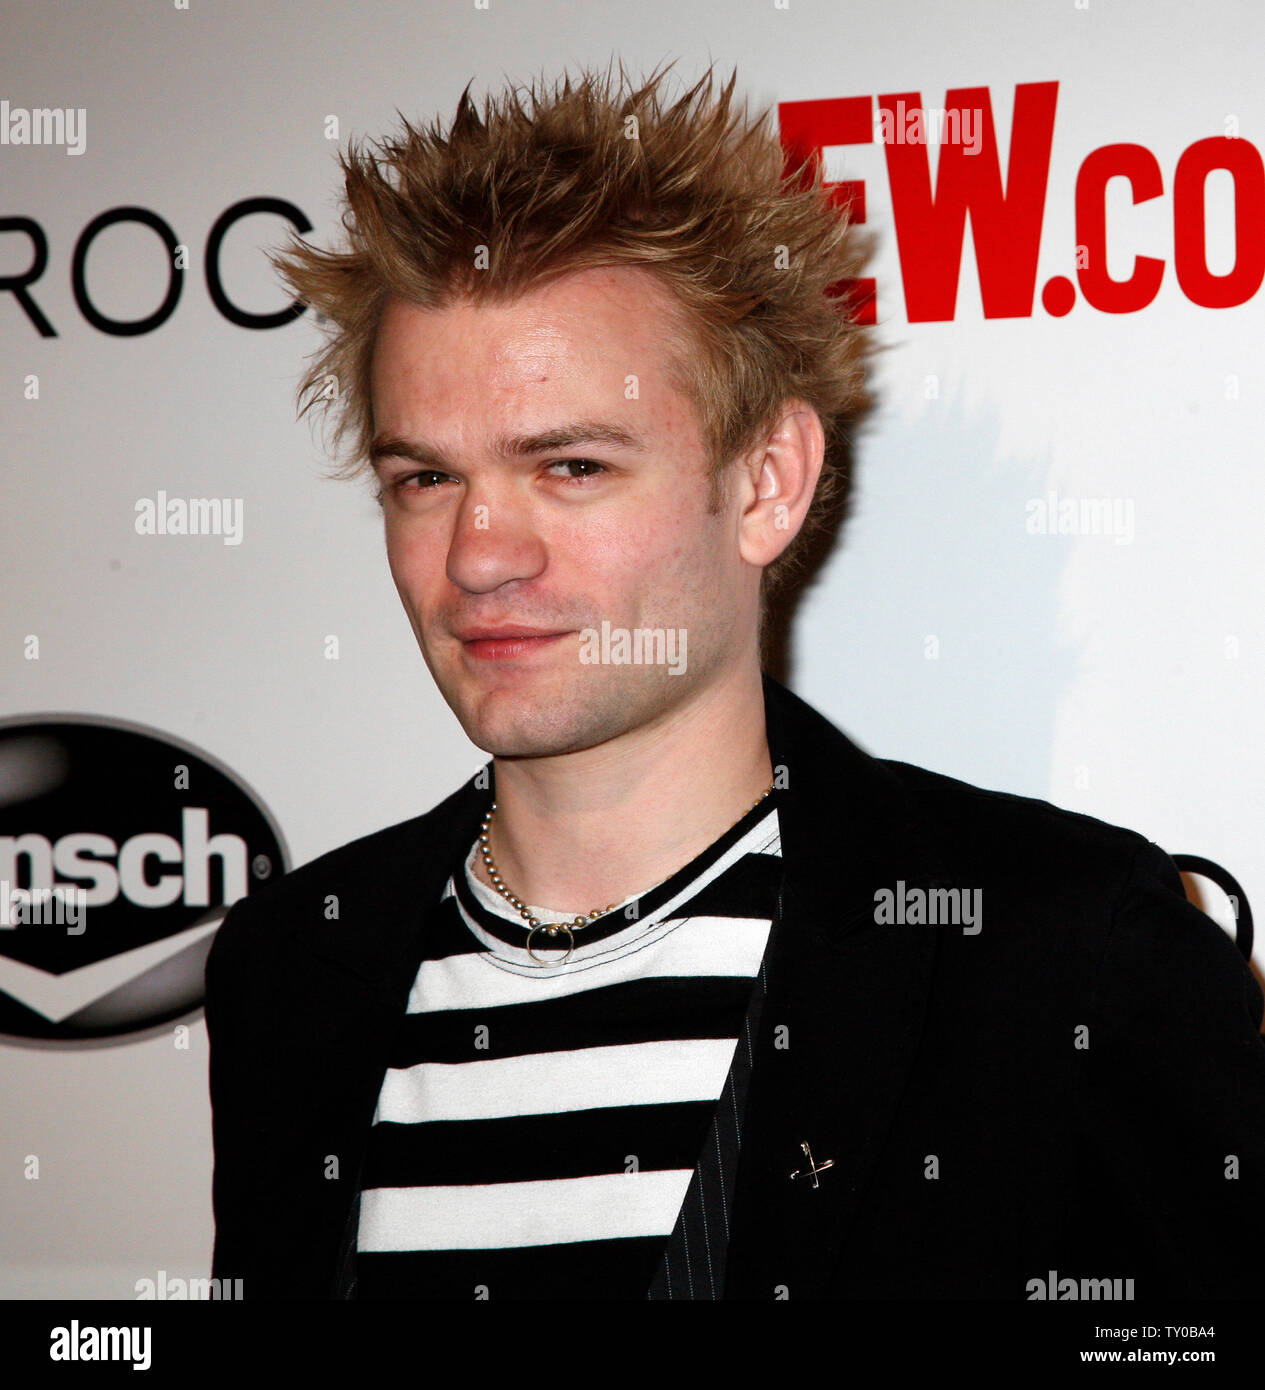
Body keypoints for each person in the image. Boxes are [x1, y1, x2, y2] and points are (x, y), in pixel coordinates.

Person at [204, 62, 1265, 1300]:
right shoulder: (292, 972)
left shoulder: (1061, 949)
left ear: (766, 484)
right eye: (423, 479)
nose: (479, 554)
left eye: (573, 467)